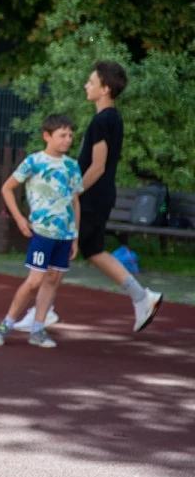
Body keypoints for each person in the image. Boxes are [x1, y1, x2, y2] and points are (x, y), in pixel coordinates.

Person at [76, 60, 162, 332]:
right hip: (102, 196)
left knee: (59, 248)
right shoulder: (113, 117)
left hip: (91, 197)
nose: (86, 85)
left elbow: (97, 166)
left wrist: (73, 190)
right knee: (93, 251)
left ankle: (41, 311)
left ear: (105, 88)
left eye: (91, 82)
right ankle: (141, 297)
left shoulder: (103, 120)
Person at [0, 114, 84, 349]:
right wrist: (20, 218)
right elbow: (7, 188)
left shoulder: (72, 166)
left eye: (70, 135)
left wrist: (75, 235)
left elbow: (75, 201)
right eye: (62, 135)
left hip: (65, 234)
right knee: (34, 281)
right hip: (42, 232)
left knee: (53, 280)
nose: (67, 140)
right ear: (47, 136)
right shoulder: (34, 162)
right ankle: (5, 324)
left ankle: (38, 330)